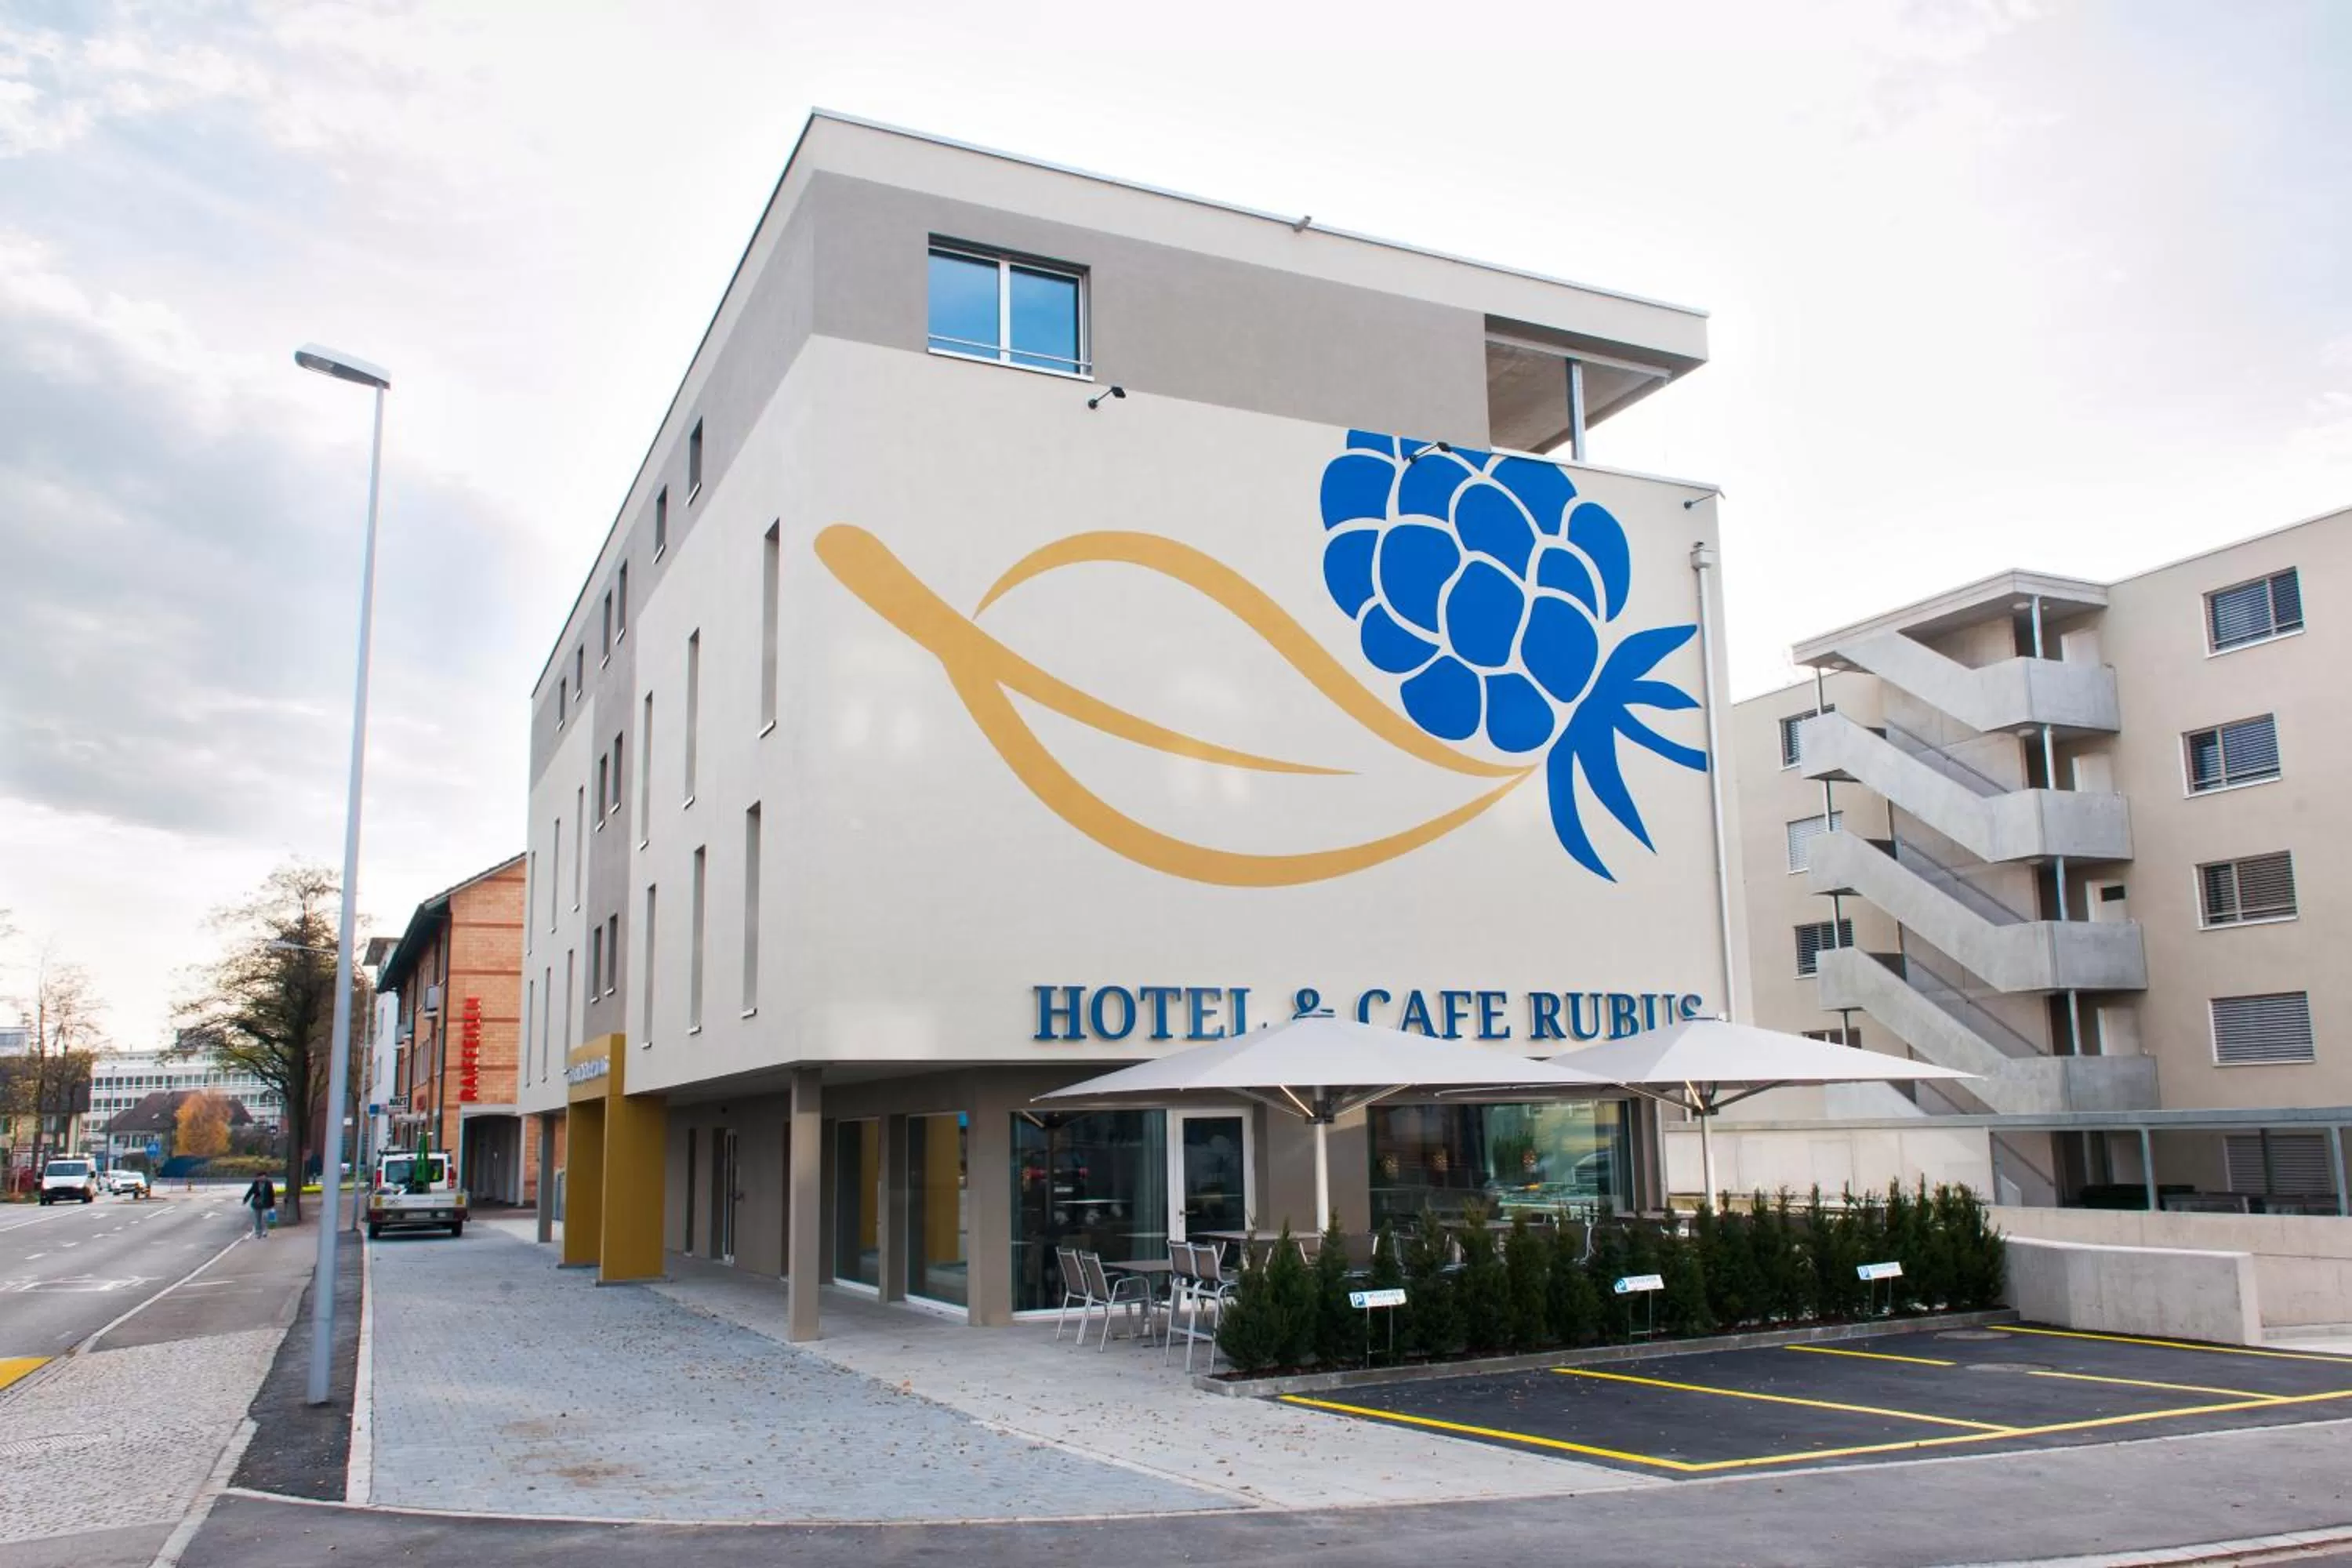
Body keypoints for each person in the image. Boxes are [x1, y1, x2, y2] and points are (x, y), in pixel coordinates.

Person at [242, 1174, 277, 1239]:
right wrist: (245, 1200)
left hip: (266, 1204)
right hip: (257, 1204)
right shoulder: (255, 1184)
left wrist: (273, 1203)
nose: (263, 1178)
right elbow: (250, 1192)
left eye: (265, 1177)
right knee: (257, 1219)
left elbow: (272, 1194)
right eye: (261, 1177)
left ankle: (265, 1231)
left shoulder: (269, 1184)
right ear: (258, 1178)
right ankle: (258, 1233)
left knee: (265, 1217)